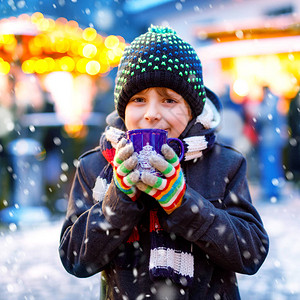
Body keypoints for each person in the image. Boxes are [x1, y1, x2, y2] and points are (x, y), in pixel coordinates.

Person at [59, 25, 269, 300]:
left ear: (192, 109)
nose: (151, 114)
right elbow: (75, 258)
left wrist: (183, 202)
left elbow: (251, 253)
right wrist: (119, 199)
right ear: (123, 109)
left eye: (169, 100)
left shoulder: (224, 163)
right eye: (138, 99)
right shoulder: (97, 165)